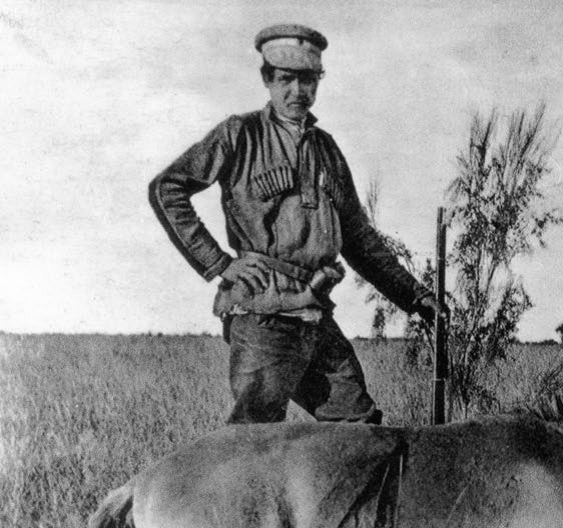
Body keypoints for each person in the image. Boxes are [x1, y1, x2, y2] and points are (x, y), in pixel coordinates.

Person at [150, 24, 442, 425]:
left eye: (308, 80)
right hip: (262, 315)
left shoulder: (327, 149)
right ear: (267, 79)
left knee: (359, 432)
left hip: (314, 312)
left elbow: (358, 238)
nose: (298, 91)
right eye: (286, 79)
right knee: (254, 442)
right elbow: (168, 188)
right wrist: (219, 264)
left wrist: (415, 296)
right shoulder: (240, 134)